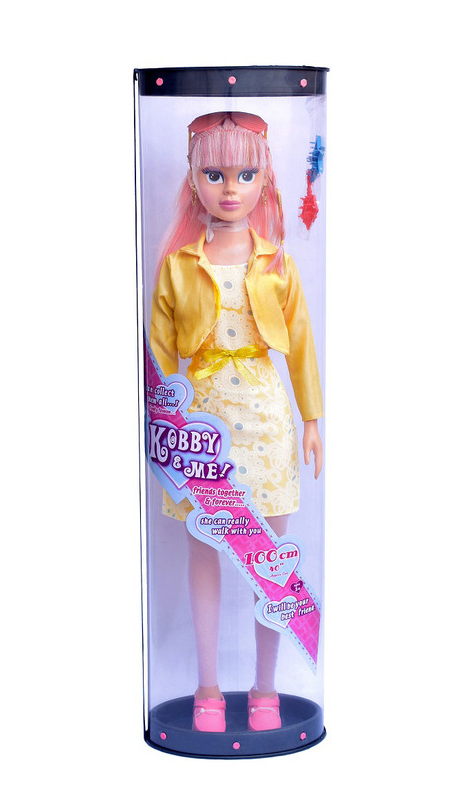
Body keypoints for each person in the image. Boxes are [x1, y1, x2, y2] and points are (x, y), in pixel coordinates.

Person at [150, 111, 323, 732]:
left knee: (269, 558)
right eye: (215, 174)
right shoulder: (178, 263)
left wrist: (312, 418)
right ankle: (206, 687)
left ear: (265, 180)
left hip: (266, 418)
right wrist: (160, 424)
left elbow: (300, 345)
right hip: (201, 427)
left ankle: (267, 688)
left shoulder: (276, 263)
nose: (230, 189)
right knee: (203, 548)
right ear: (193, 178)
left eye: (245, 175)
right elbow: (157, 353)